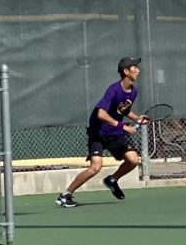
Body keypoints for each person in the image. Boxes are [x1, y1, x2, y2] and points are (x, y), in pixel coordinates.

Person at [56, 57, 147, 208]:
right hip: (98, 133)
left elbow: (124, 109)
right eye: (134, 67)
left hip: (115, 134)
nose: (138, 70)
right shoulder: (113, 90)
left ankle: (112, 180)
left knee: (132, 160)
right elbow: (101, 114)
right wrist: (124, 127)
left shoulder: (133, 91)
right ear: (126, 71)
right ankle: (65, 195)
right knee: (95, 167)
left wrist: (137, 118)